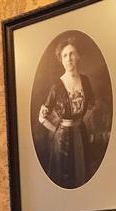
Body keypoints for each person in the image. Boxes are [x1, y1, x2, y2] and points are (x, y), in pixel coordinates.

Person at [39, 37, 95, 189]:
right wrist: (57, 130)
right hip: (63, 140)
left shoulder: (85, 80)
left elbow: (92, 104)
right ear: (61, 60)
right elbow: (42, 117)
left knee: (83, 172)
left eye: (71, 54)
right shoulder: (56, 86)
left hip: (81, 134)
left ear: (78, 56)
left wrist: (82, 120)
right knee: (65, 175)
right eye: (65, 55)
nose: (69, 59)